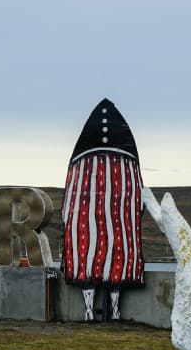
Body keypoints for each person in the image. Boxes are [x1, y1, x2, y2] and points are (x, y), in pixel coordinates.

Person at [61, 99, 145, 321]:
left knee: (103, 253)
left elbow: (66, 210)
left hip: (107, 192)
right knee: (114, 253)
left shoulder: (81, 172)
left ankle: (94, 311)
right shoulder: (127, 171)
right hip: (115, 194)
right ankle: (108, 311)